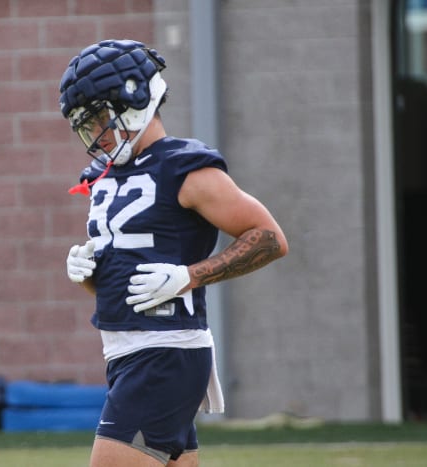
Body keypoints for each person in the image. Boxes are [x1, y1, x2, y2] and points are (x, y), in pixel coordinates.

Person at [60, 39, 289, 467]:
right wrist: (87, 272)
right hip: (128, 353)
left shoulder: (186, 168)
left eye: (99, 120)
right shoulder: (103, 175)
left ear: (134, 97)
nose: (96, 135)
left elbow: (270, 237)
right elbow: (131, 284)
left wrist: (190, 275)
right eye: (85, 126)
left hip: (164, 353)